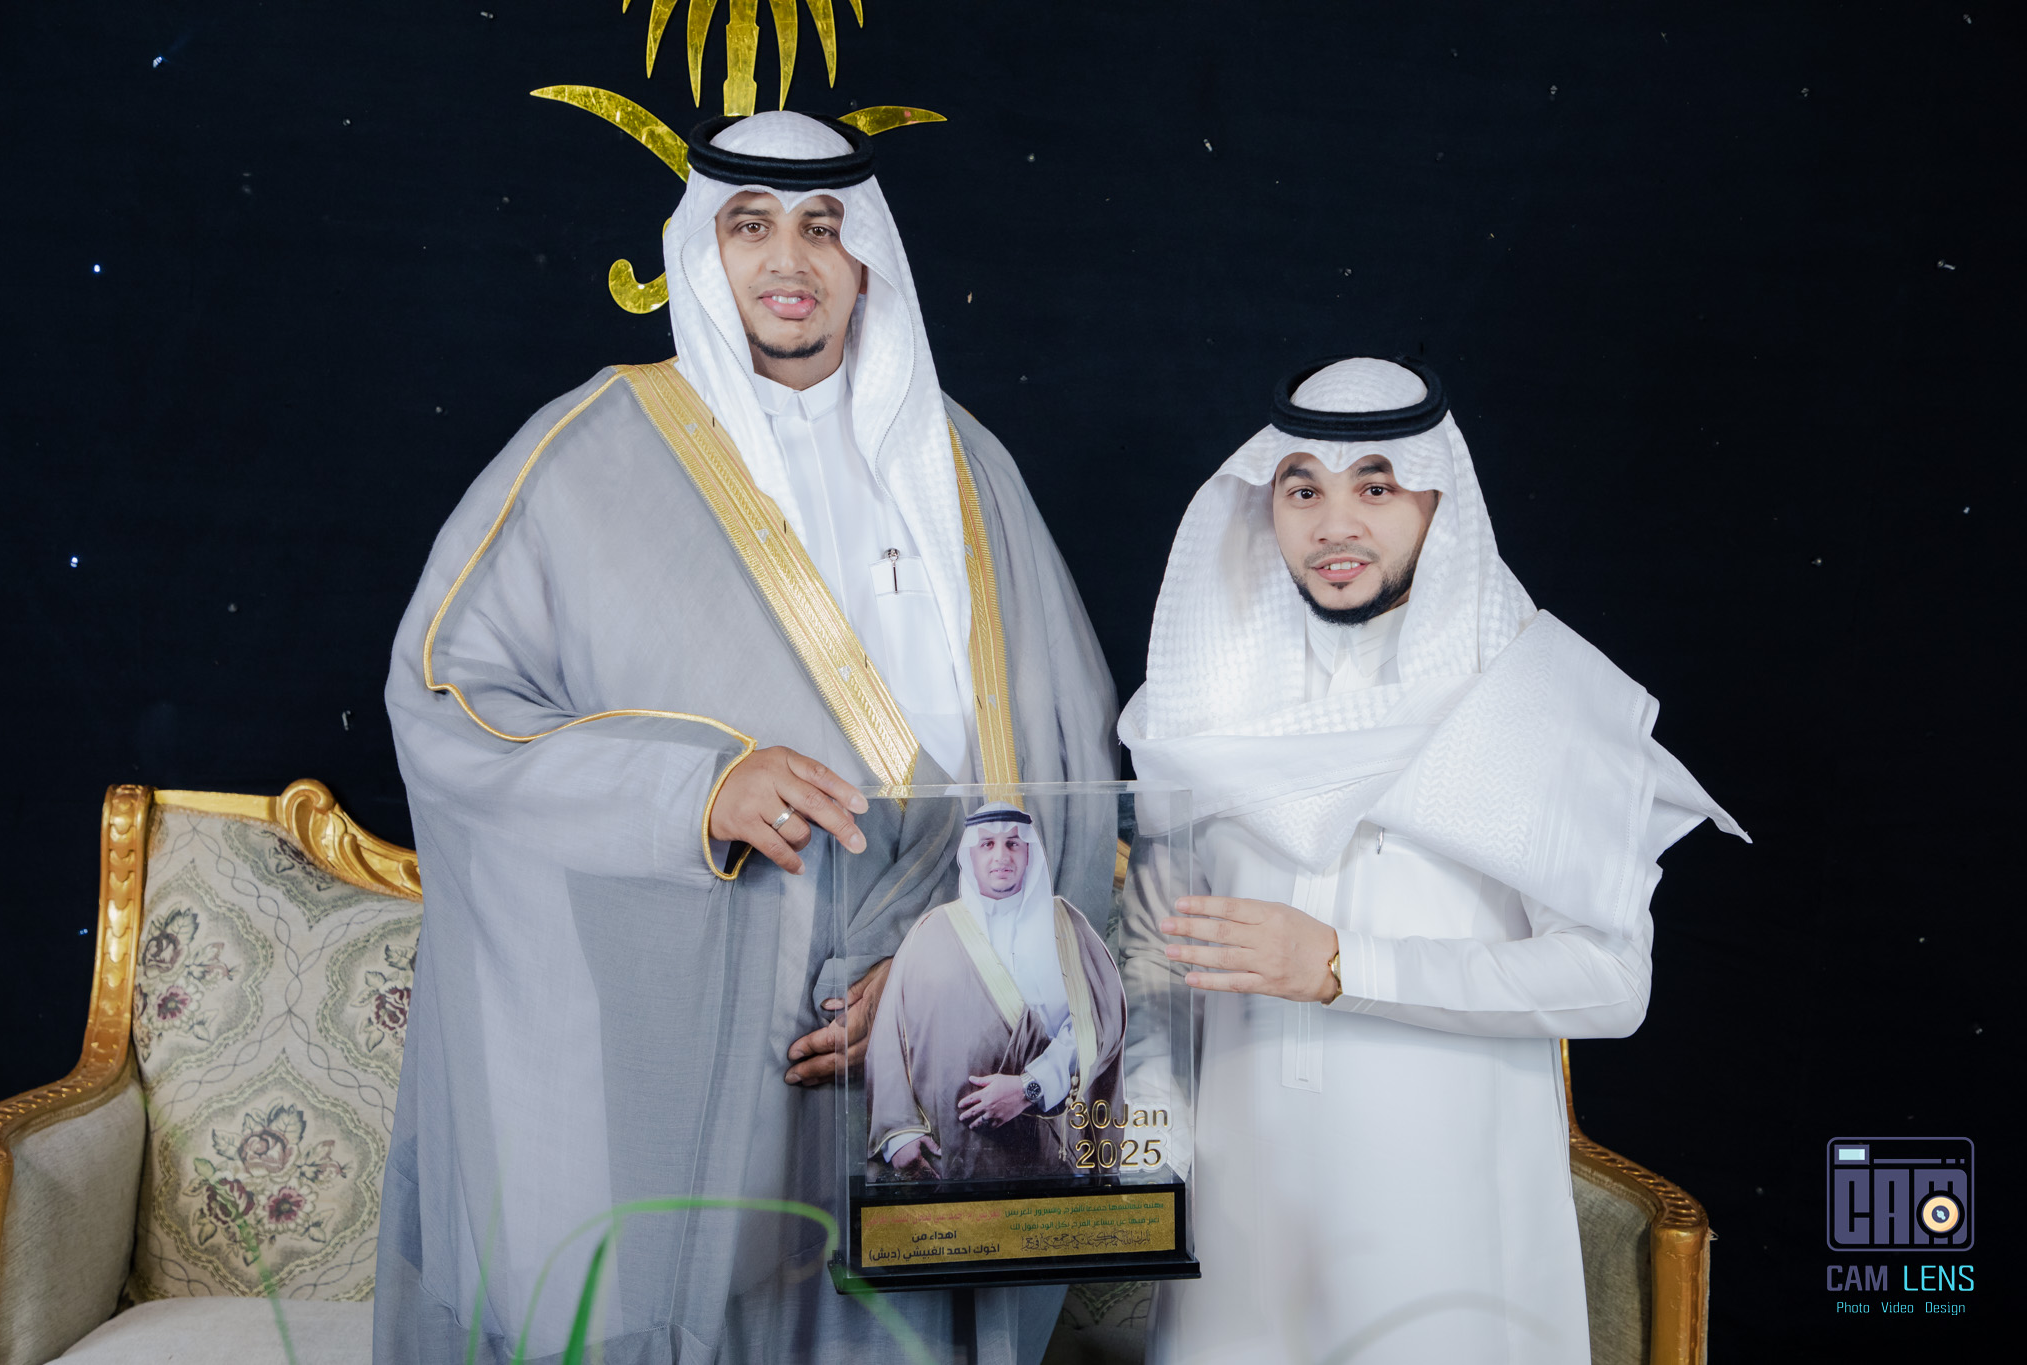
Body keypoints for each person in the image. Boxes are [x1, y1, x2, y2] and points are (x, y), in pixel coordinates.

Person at [377, 111, 1117, 1364]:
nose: (789, 260)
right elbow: (449, 699)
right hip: (698, 1029)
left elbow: (1067, 760)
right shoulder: (590, 454)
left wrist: (956, 975)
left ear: (866, 256)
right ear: (699, 252)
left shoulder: (968, 469)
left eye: (822, 227)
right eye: (749, 226)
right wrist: (691, 795)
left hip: (934, 1023)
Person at [1118, 356, 1746, 1365]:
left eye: (1375, 488)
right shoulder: (1203, 709)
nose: (1334, 526)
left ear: (1438, 501)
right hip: (1237, 1236)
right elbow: (1153, 952)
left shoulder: (1531, 698)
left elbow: (1610, 982)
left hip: (1444, 1230)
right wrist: (1152, 1134)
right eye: (1303, 491)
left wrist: (1341, 966)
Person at [867, 803, 1126, 1181]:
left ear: (1029, 853)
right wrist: (900, 1135)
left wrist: (1029, 1087)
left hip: (1049, 1147)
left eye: (1013, 844)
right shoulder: (931, 931)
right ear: (969, 854)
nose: (1001, 856)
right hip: (950, 1151)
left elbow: (1100, 1024)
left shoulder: (1068, 928)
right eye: (987, 844)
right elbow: (890, 1037)